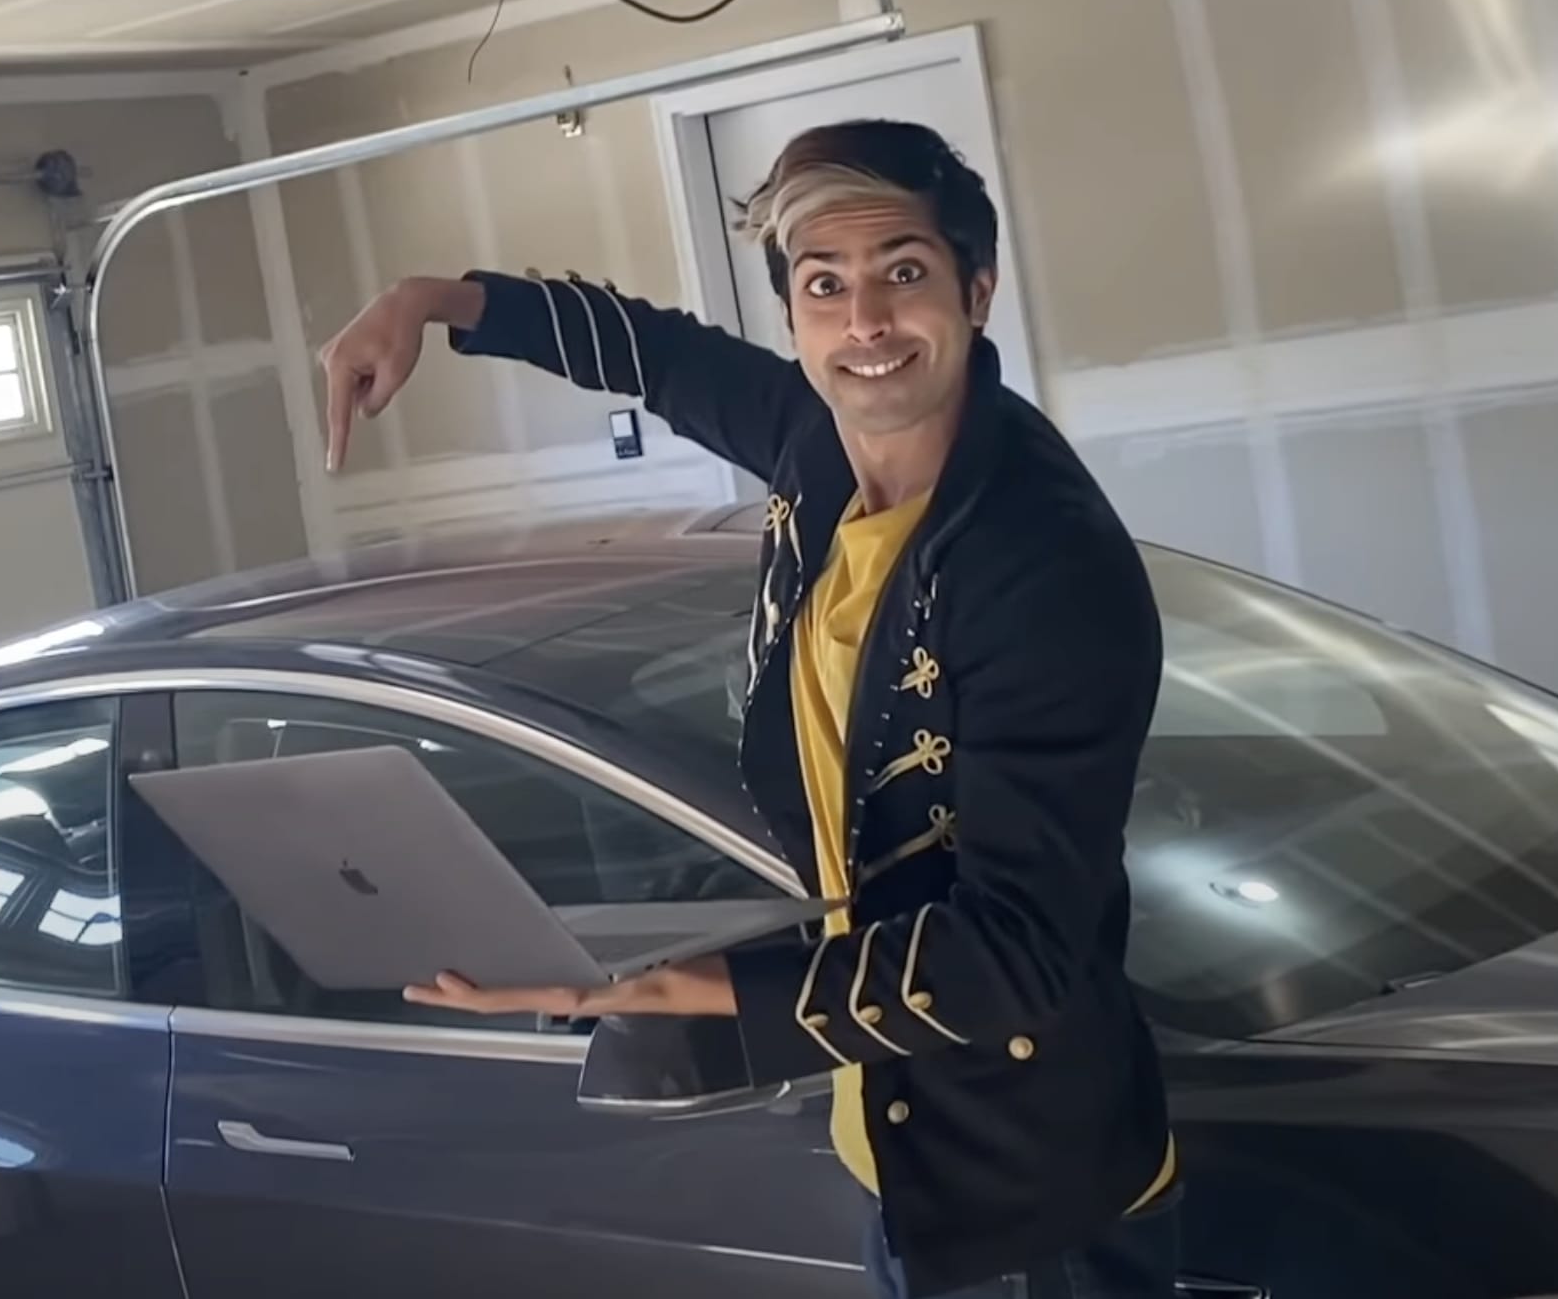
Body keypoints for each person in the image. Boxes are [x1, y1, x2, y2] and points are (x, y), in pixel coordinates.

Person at [314, 118, 1177, 1299]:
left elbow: (1011, 954)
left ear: (975, 290)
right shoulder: (822, 448)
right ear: (791, 312)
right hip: (900, 1142)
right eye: (824, 285)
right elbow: (660, 355)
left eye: (902, 273)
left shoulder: (1038, 564)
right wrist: (431, 301)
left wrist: (639, 989)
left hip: (1026, 1192)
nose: (863, 322)